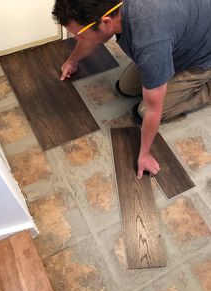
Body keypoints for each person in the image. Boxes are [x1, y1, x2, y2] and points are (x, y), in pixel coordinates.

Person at [52, 0, 211, 179]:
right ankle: (166, 65)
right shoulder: (114, 9)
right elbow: (90, 37)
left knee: (143, 111)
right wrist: (72, 60)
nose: (76, 38)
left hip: (201, 56)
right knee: (125, 87)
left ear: (106, 22)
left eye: (79, 34)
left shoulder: (149, 42)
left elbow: (154, 109)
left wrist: (144, 154)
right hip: (177, 38)